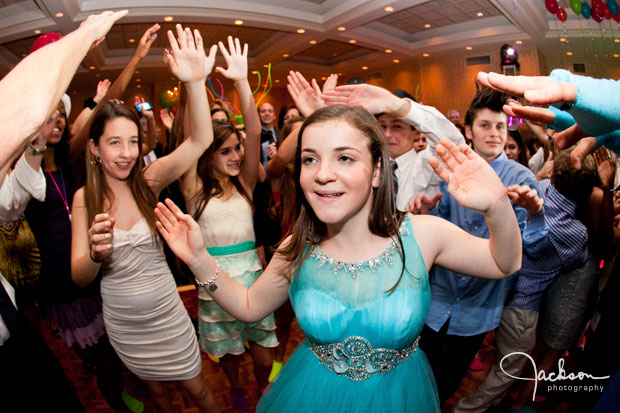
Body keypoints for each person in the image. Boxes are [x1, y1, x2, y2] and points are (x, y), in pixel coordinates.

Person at [154, 104, 523, 413]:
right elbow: (250, 306)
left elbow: (504, 263)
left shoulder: (423, 234)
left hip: (400, 397)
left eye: (344, 157)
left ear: (378, 171)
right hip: (311, 394)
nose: (323, 174)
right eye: (310, 159)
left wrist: (497, 205)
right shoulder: (296, 247)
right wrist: (200, 260)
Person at [70, 24, 219, 412]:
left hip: (167, 314)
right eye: (114, 142)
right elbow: (80, 275)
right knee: (156, 395)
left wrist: (195, 81)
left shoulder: (148, 182)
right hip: (124, 323)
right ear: (94, 148)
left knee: (199, 390)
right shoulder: (86, 198)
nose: (126, 152)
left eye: (133, 141)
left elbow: (200, 140)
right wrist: (97, 254)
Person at [410, 87, 546, 404]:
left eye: (501, 126)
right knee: (416, 369)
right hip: (436, 299)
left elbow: (530, 250)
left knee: (448, 381)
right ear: (469, 131)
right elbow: (442, 225)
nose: (495, 133)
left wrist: (536, 214)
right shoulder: (453, 170)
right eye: (485, 125)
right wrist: (429, 209)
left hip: (479, 307)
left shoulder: (522, 177)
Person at [178, 36, 277, 411]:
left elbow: (253, 132)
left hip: (253, 283)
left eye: (237, 149)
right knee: (231, 354)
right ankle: (235, 387)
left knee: (264, 356)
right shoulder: (194, 189)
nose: (236, 156)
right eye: (226, 151)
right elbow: (192, 136)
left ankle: (262, 387)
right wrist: (193, 83)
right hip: (215, 284)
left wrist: (241, 81)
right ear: (209, 155)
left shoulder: (247, 185)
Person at [0, 10, 128, 177]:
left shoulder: (66, 155)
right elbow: (32, 113)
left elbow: (79, 128)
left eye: (61, 114)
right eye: (52, 113)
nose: (55, 119)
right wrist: (86, 34)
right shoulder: (16, 158)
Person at [321, 82, 465, 212]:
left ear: (415, 132)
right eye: (382, 126)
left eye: (397, 127)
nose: (388, 134)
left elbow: (450, 141)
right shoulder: (368, 165)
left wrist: (395, 105)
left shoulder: (426, 163)